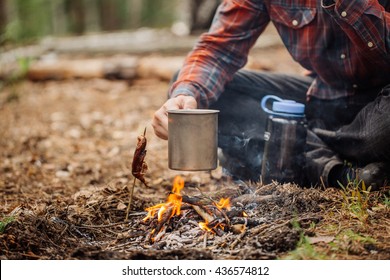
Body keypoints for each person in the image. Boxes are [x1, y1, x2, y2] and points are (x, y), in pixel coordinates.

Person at [152, 0, 390, 190]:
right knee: (196, 89)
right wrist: (186, 93)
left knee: (379, 132)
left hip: (382, 101)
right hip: (323, 96)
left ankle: (282, 146)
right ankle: (338, 171)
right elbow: (218, 49)